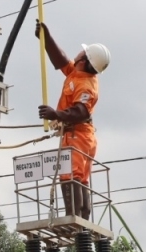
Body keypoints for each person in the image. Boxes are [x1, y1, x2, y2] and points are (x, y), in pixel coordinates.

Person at [35, 21, 110, 221]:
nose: (77, 53)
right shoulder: (78, 74)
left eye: (82, 52)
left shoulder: (86, 85)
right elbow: (61, 60)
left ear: (84, 60)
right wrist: (46, 39)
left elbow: (81, 111)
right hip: (81, 135)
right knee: (80, 177)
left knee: (71, 175)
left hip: (79, 134)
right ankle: (82, 217)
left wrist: (56, 114)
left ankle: (74, 217)